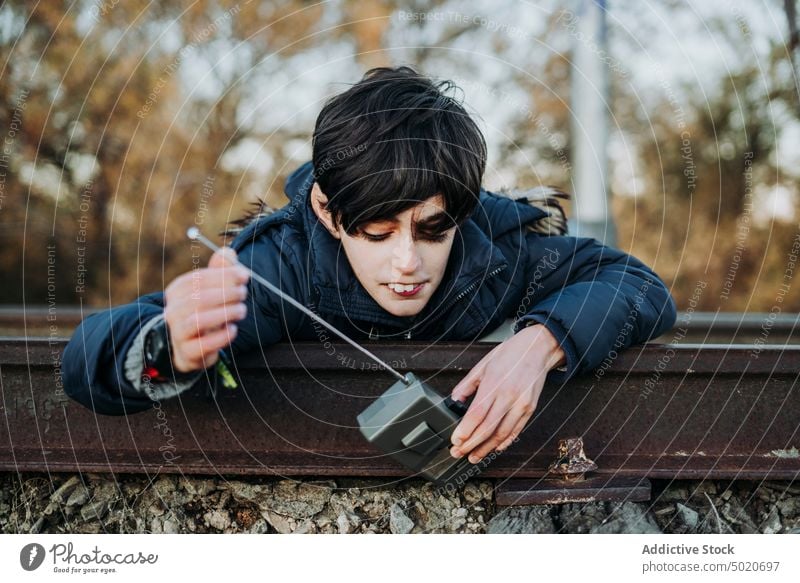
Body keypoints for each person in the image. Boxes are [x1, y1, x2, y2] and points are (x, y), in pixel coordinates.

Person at [62, 66, 676, 466]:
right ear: (329, 213)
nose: (407, 262)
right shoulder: (283, 265)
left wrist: (543, 343)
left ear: (461, 212)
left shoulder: (500, 250)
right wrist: (165, 345)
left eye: (433, 231)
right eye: (378, 234)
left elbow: (638, 284)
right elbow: (82, 361)